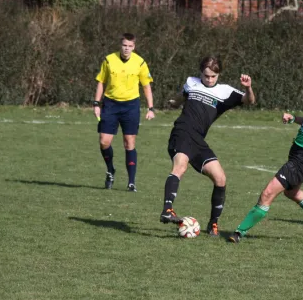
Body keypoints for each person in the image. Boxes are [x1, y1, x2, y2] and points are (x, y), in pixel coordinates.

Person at [228, 71, 303, 243]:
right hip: (299, 155)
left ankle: (239, 232)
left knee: (268, 193)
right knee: (292, 193)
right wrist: (294, 119)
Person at [159, 56, 256, 236]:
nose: (209, 80)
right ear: (200, 73)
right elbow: (183, 95)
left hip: (198, 140)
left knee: (220, 179)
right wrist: (175, 103)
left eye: (213, 76)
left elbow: (249, 101)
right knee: (180, 166)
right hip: (182, 132)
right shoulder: (191, 82)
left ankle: (213, 223)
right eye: (206, 76)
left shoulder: (225, 92)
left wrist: (248, 87)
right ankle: (167, 209)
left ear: (218, 75)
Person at [93, 33, 155, 192]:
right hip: (110, 104)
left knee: (129, 143)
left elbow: (146, 86)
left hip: (131, 106)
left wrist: (150, 108)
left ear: (134, 47)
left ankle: (131, 182)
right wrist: (96, 103)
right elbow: (101, 82)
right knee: (104, 141)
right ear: (120, 45)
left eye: (130, 46)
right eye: (124, 45)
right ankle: (110, 170)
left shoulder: (140, 63)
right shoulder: (109, 60)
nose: (127, 49)